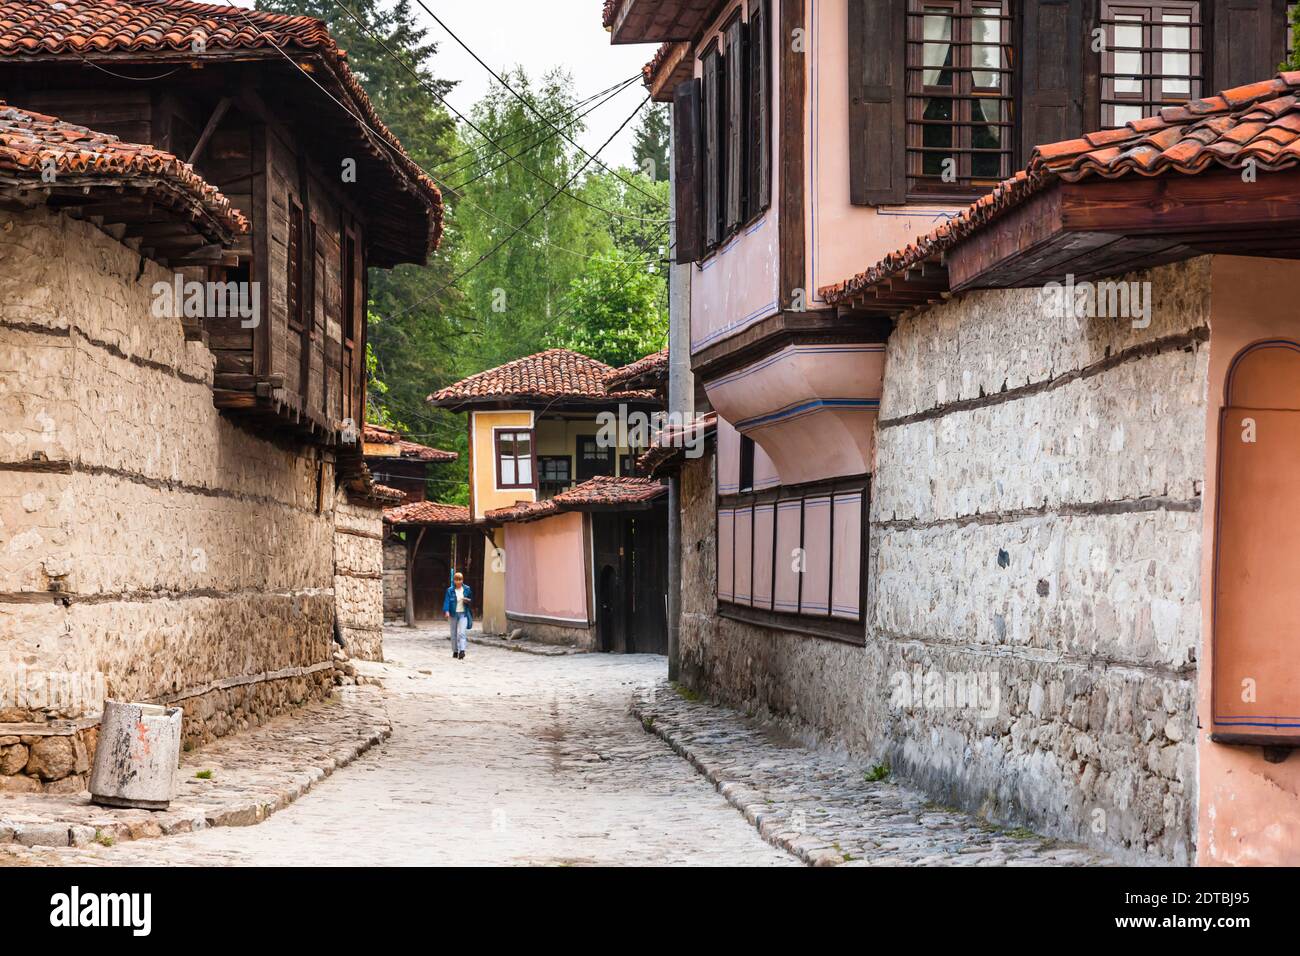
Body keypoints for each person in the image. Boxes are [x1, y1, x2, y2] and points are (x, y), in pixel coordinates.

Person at [443, 571, 473, 660]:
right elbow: (447, 601)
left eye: (460, 580)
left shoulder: (467, 589)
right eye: (457, 580)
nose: (458, 582)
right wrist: (446, 611)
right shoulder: (450, 590)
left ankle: (462, 651)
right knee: (453, 633)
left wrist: (467, 600)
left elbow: (471, 599)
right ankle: (455, 650)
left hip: (463, 613)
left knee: (462, 633)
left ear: (462, 580)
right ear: (454, 580)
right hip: (453, 613)